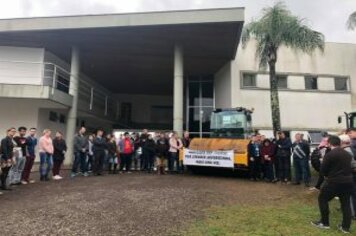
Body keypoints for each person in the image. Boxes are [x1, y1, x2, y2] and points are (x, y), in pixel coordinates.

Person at [312, 135, 354, 234]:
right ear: (339, 143)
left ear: (329, 144)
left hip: (334, 182)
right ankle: (345, 228)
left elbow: (323, 170)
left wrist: (326, 174)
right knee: (346, 204)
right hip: (348, 182)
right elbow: (352, 167)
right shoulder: (348, 154)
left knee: (322, 199)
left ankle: (324, 223)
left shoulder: (330, 155)